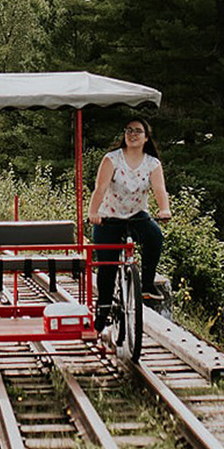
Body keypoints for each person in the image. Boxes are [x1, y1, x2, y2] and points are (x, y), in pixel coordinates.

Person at [87, 117, 171, 333]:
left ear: (146, 137)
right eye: (129, 130)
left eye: (138, 131)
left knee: (155, 236)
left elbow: (159, 189)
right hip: (109, 216)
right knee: (107, 266)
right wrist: (93, 213)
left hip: (136, 214)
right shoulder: (112, 159)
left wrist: (164, 209)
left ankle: (147, 283)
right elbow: (100, 188)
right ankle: (103, 309)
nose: (132, 134)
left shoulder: (152, 163)